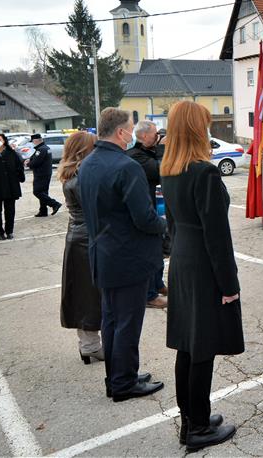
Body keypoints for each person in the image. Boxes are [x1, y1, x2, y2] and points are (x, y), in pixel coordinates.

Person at [160, 101, 241, 451]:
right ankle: (197, 429)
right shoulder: (203, 172)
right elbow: (217, 235)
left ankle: (192, 419)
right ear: (196, 129)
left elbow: (174, 223)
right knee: (202, 346)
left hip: (182, 260)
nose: (209, 131)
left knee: (187, 345)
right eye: (205, 125)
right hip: (203, 265)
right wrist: (228, 285)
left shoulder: (170, 168)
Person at [78, 107, 166, 402]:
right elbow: (144, 218)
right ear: (120, 133)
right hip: (127, 258)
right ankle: (124, 383)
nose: (132, 133)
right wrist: (167, 225)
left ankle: (117, 378)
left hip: (102, 255)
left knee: (111, 320)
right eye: (130, 128)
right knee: (127, 322)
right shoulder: (127, 166)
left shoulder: (88, 162)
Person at [58, 132, 103, 364]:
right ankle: (90, 346)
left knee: (83, 293)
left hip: (77, 236)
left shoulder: (71, 173)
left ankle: (88, 345)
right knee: (89, 294)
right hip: (86, 239)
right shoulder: (82, 176)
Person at [127, 120, 168, 308]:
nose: (157, 136)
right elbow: (161, 170)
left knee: (157, 250)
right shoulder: (135, 155)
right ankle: (150, 295)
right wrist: (161, 148)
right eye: (154, 134)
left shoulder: (146, 152)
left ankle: (158, 285)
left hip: (156, 208)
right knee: (149, 253)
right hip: (145, 210)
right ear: (143, 136)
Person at [27, 133, 62, 217]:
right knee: (43, 192)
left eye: (33, 141)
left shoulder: (41, 150)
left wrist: (28, 164)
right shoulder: (45, 148)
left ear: (36, 141)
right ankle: (43, 210)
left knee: (37, 192)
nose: (33, 143)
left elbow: (35, 162)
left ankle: (54, 204)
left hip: (41, 174)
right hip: (46, 173)